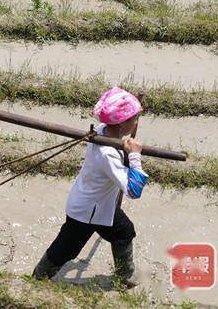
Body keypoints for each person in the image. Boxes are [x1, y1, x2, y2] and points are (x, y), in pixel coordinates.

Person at [32, 87, 148, 286]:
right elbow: (133, 190)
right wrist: (135, 155)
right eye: (134, 118)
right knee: (65, 250)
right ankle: (36, 280)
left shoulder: (103, 130)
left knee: (124, 232)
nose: (137, 121)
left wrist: (127, 147)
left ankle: (125, 276)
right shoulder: (107, 154)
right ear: (121, 123)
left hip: (99, 204)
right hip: (88, 212)